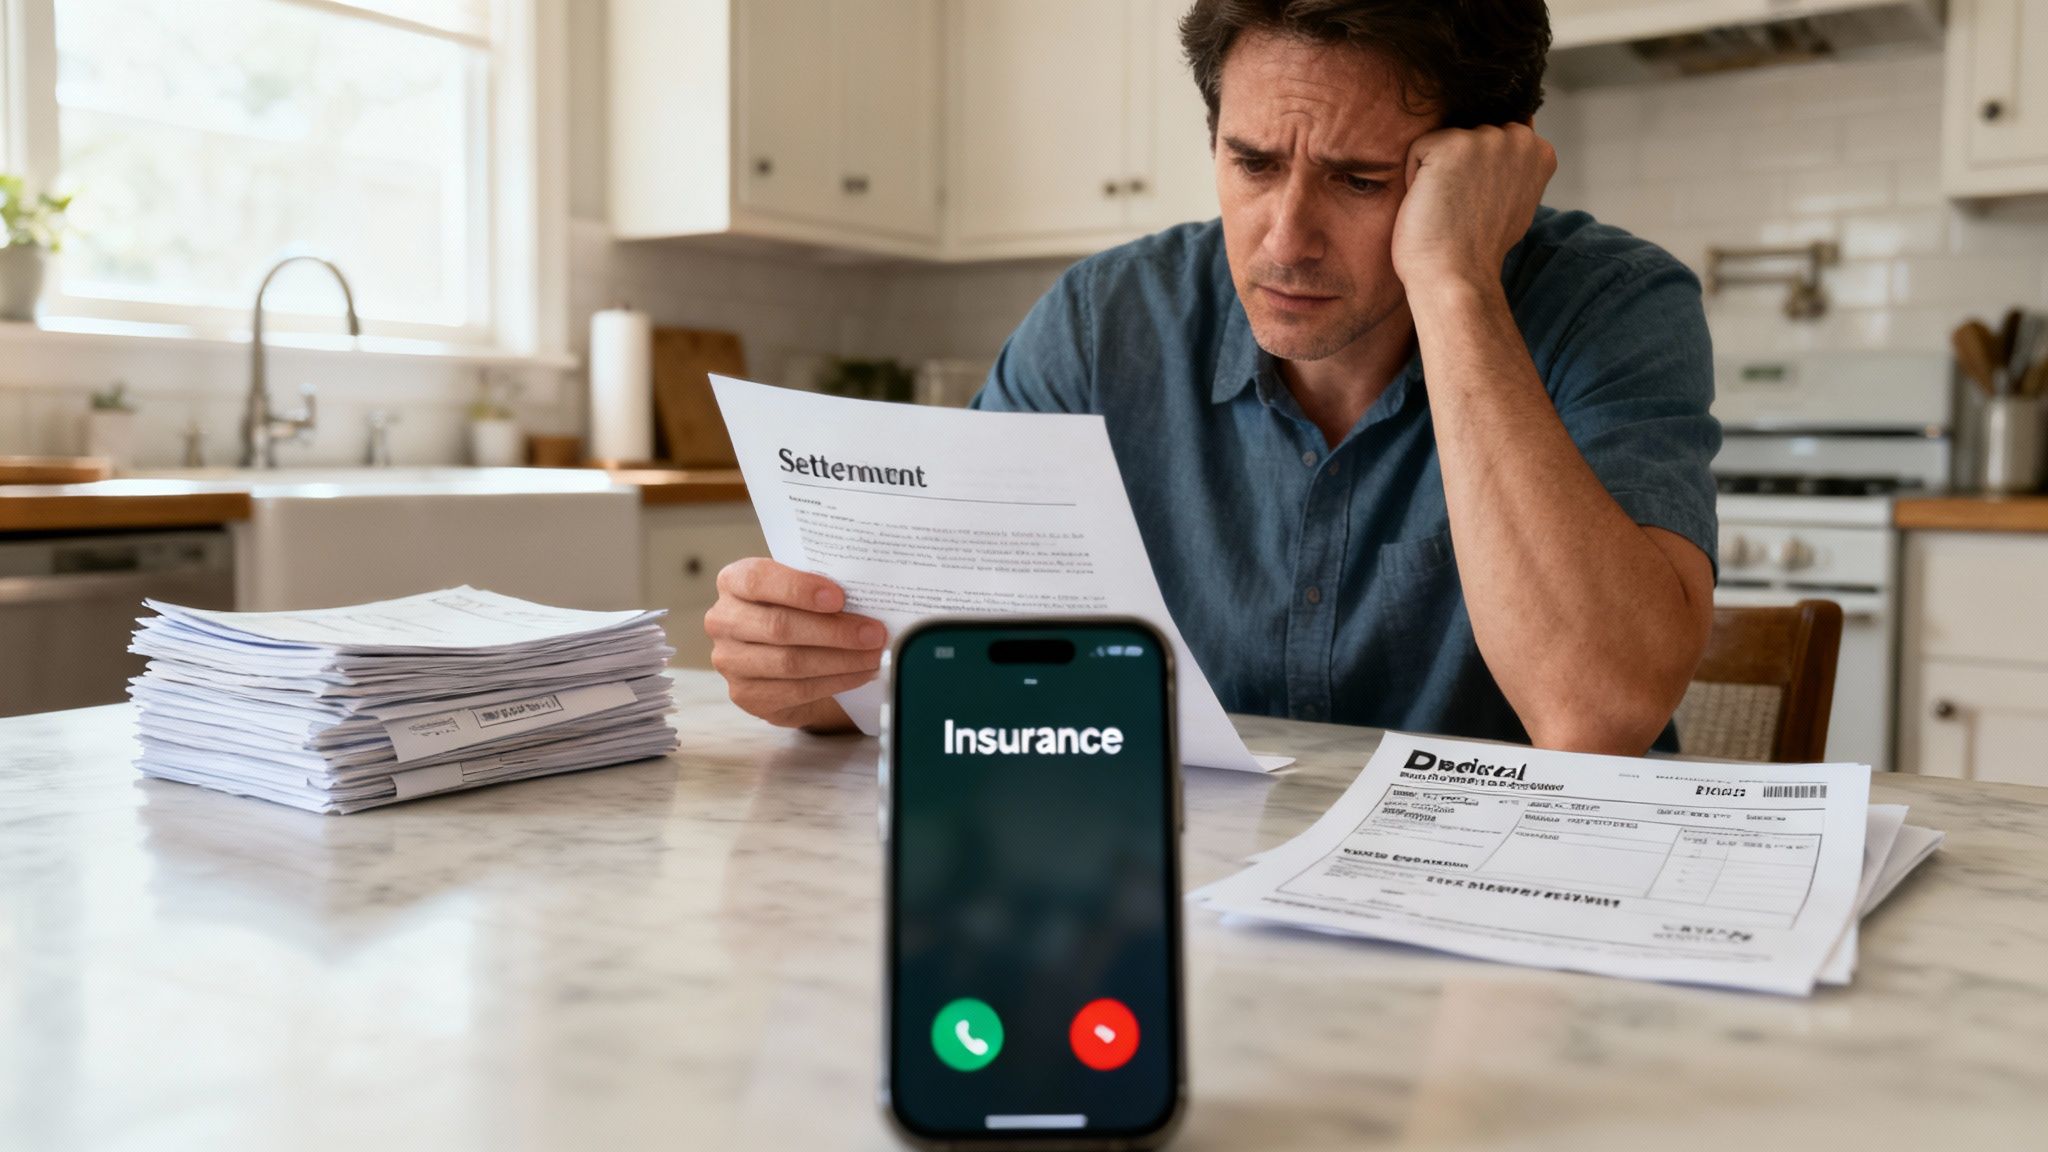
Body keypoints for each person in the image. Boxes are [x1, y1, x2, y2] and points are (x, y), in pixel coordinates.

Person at [704, 0, 1720, 755]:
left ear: (1478, 171)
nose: (1284, 240)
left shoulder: (1610, 304)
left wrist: (1452, 282)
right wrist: (823, 674)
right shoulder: (1107, 322)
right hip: (1202, 895)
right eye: (1251, 163)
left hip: (1507, 916)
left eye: (1361, 181)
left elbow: (1595, 713)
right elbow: (954, 657)